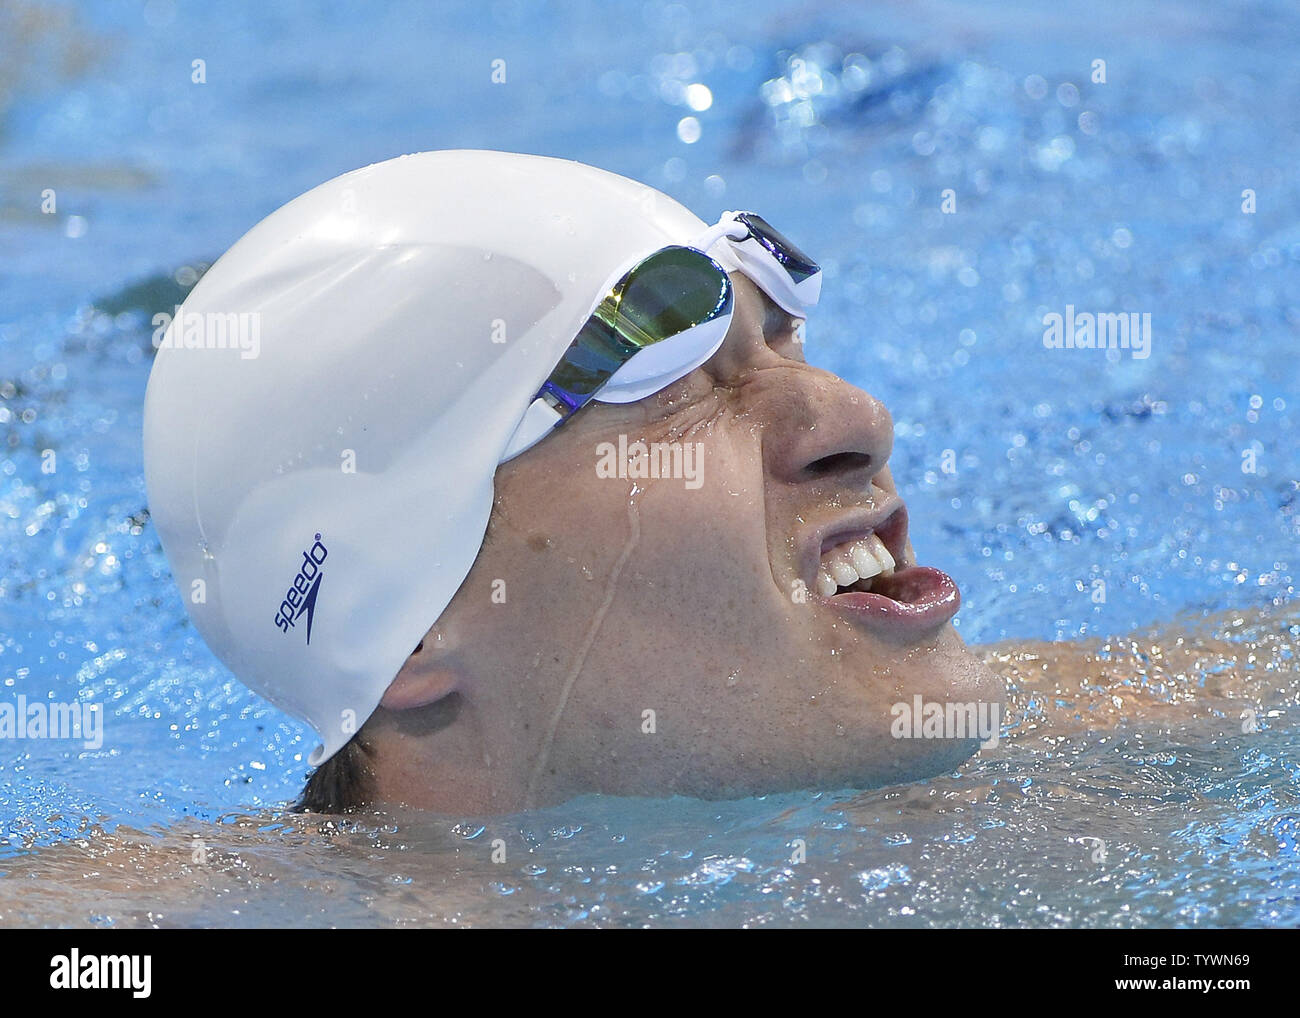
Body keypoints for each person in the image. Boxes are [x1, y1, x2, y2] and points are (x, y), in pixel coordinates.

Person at [140, 149, 999, 814]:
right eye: (669, 387)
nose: (859, 419)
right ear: (408, 631)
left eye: (782, 342)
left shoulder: (1098, 754)